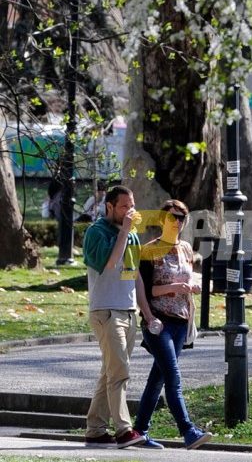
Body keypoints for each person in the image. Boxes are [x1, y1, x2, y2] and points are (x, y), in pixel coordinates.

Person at [133, 199, 212, 451]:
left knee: (158, 378)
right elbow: (146, 290)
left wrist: (194, 287)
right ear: (161, 219)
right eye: (172, 217)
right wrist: (173, 290)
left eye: (181, 218)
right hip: (157, 322)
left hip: (180, 322)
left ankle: (139, 431)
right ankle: (188, 431)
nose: (177, 222)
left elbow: (188, 279)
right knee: (173, 378)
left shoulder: (187, 249)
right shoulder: (148, 250)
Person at [83, 185, 155, 449]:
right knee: (120, 371)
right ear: (109, 207)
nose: (130, 211)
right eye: (124, 206)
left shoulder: (133, 236)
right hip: (106, 311)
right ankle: (124, 430)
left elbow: (133, 276)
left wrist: (146, 313)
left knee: (109, 372)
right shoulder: (96, 232)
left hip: (128, 310)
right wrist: (124, 230)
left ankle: (95, 429)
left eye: (132, 205)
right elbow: (111, 263)